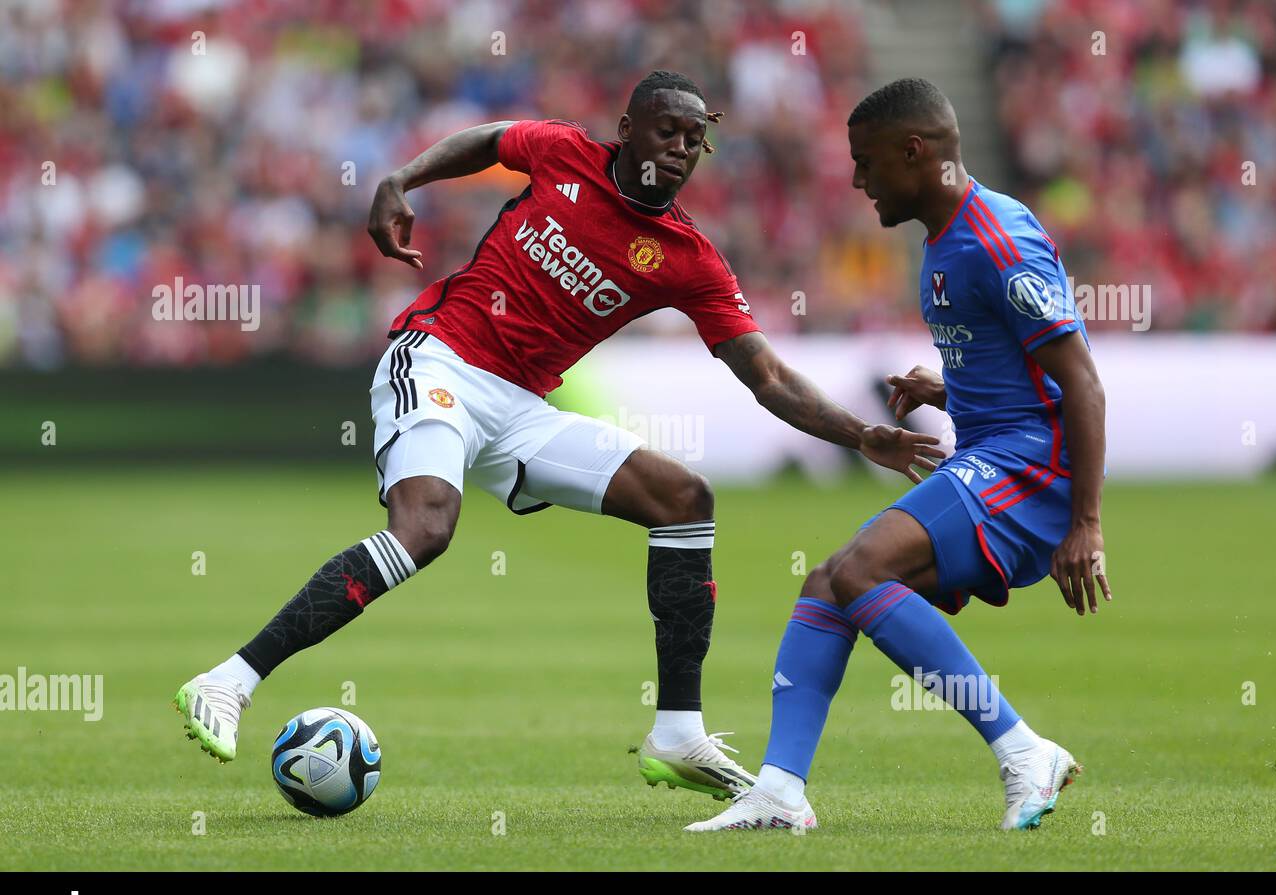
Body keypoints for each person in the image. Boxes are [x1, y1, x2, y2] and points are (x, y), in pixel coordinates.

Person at [174, 71, 941, 804]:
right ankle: (228, 680)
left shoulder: (687, 257)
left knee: (683, 499)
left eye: (694, 140)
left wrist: (860, 433)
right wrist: (400, 179)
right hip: (441, 356)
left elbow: (767, 376)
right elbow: (488, 140)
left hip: (518, 407)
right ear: (627, 130)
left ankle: (676, 733)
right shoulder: (564, 151)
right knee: (425, 527)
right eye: (667, 130)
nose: (680, 148)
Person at [686, 78, 1109, 832]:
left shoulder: (998, 239)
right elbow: (1023, 377)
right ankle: (781, 790)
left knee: (859, 570)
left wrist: (1087, 522)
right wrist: (948, 391)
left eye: (866, 161)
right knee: (829, 583)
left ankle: (1023, 750)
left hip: (1033, 471)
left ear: (914, 152)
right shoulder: (946, 239)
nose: (855, 180)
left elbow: (1082, 382)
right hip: (994, 451)